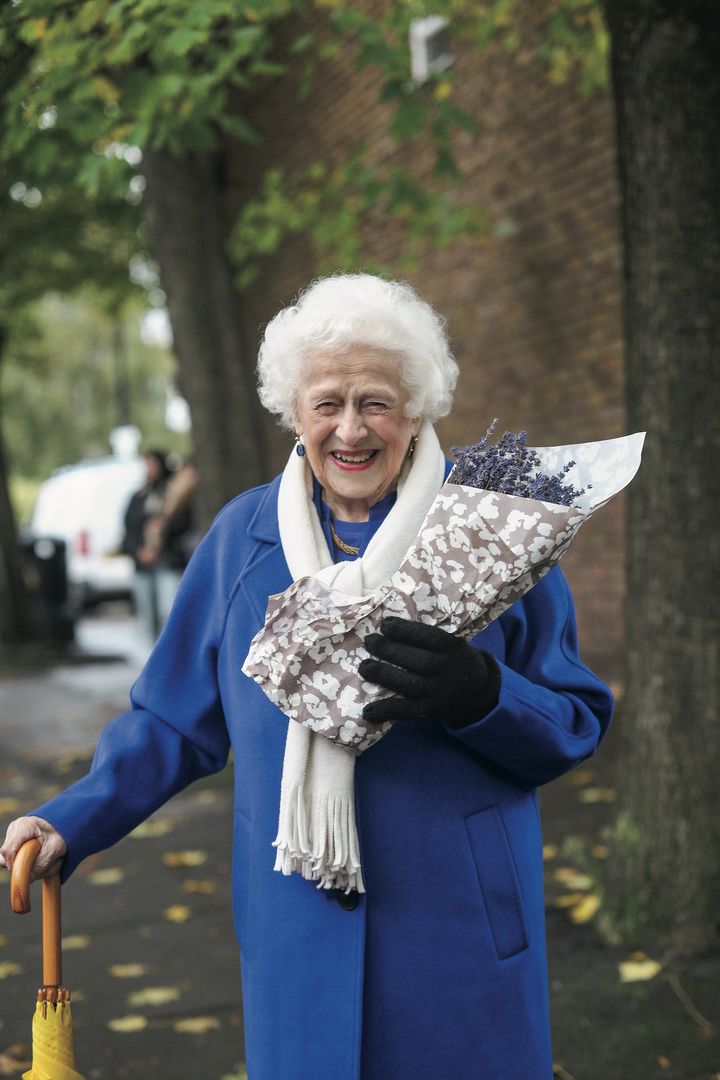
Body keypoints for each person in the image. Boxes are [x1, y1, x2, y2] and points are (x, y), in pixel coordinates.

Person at [1, 274, 613, 1080]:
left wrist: (484, 694)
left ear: (419, 409)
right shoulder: (239, 542)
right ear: (295, 413)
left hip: (460, 933)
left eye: (377, 402)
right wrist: (68, 820)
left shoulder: (496, 532)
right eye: (327, 403)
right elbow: (172, 724)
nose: (350, 430)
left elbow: (576, 719)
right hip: (297, 933)